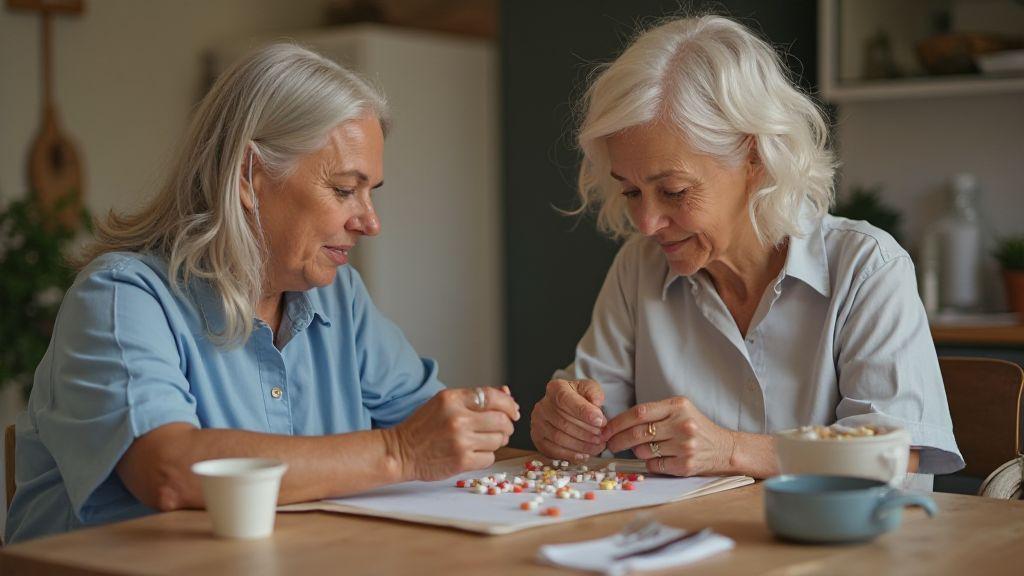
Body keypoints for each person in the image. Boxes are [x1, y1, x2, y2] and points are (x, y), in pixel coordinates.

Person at [6, 44, 518, 543]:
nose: (371, 222)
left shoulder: (341, 299)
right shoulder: (122, 296)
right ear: (250, 176)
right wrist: (397, 452)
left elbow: (436, 436)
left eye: (370, 192)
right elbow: (168, 471)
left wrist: (492, 425)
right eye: (344, 189)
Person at [529, 15, 963, 480]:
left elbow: (896, 454)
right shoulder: (639, 267)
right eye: (631, 192)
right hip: (692, 544)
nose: (647, 222)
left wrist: (731, 450)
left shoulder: (866, 266)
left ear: (754, 156)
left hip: (849, 550)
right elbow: (593, 410)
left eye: (673, 190)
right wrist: (565, 423)